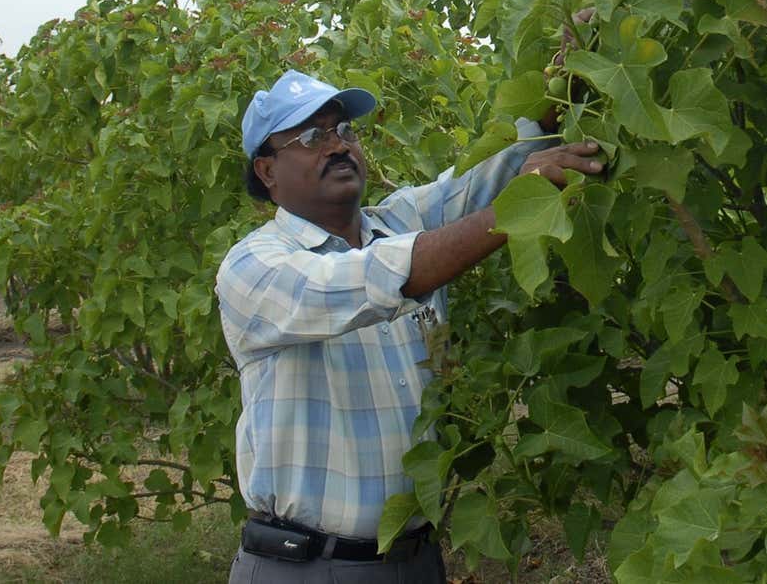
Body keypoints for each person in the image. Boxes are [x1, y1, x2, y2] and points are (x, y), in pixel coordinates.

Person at [217, 68, 602, 583]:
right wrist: (522, 203)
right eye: (312, 136)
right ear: (267, 172)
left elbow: (504, 164)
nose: (337, 146)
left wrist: (570, 65)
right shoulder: (254, 266)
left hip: (415, 559)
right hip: (307, 567)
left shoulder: (398, 221)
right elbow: (376, 277)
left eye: (345, 131)